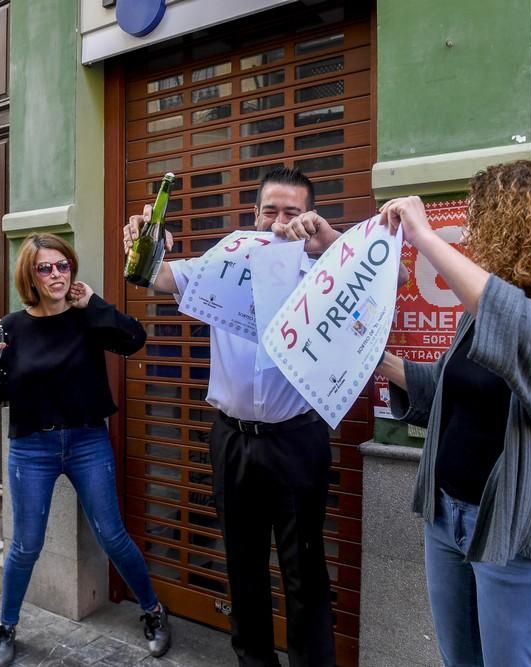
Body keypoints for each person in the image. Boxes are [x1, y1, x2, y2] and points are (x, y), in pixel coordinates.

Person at [376, 160, 531, 667]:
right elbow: (444, 385)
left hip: (521, 536)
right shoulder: (483, 305)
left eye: (482, 220)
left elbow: (525, 333)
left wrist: (424, 237)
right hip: (448, 520)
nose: (475, 233)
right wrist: (373, 358)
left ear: (520, 222)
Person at [124, 167, 349, 667]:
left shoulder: (327, 272)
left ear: (311, 217)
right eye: (271, 210)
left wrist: (330, 243)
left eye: (293, 211)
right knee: (243, 566)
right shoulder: (226, 260)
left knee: (304, 571)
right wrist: (144, 244)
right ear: (254, 214)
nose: (280, 221)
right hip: (231, 439)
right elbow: (156, 277)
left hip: (297, 440)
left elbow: (391, 275)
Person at [0, 233, 171, 666]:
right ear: (30, 275)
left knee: (112, 535)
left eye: (62, 266)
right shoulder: (10, 328)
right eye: (45, 268)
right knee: (25, 545)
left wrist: (95, 304)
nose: (56, 275)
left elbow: (134, 339)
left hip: (87, 440)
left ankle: (153, 610)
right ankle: (6, 626)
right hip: (32, 448)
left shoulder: (87, 318)